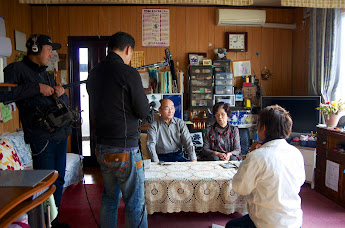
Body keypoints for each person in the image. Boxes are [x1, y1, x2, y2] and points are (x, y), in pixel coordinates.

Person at [4, 34, 71, 228]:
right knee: (45, 184)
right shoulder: (16, 70)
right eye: (49, 49)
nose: (51, 54)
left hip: (59, 134)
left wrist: (62, 95)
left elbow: (60, 105)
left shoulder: (47, 74)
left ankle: (53, 220)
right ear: (35, 49)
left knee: (58, 181)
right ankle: (43, 224)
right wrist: (36, 88)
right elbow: (3, 94)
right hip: (41, 138)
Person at [87, 32, 149, 228]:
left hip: (102, 147)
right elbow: (142, 111)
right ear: (128, 49)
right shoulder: (128, 73)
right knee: (135, 201)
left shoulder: (94, 72)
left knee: (110, 197)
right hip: (124, 148)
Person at [226, 105, 305, 228]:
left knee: (231, 226)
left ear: (263, 128)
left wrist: (249, 155)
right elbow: (300, 181)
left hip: (266, 223)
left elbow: (240, 188)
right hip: (294, 222)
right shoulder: (296, 153)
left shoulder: (257, 156)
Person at [147, 98, 197, 162]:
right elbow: (151, 145)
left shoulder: (180, 123)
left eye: (172, 108)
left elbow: (188, 141)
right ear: (160, 110)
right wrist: (156, 162)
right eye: (167, 108)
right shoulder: (153, 126)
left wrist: (193, 159)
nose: (170, 111)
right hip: (161, 157)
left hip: (177, 155)